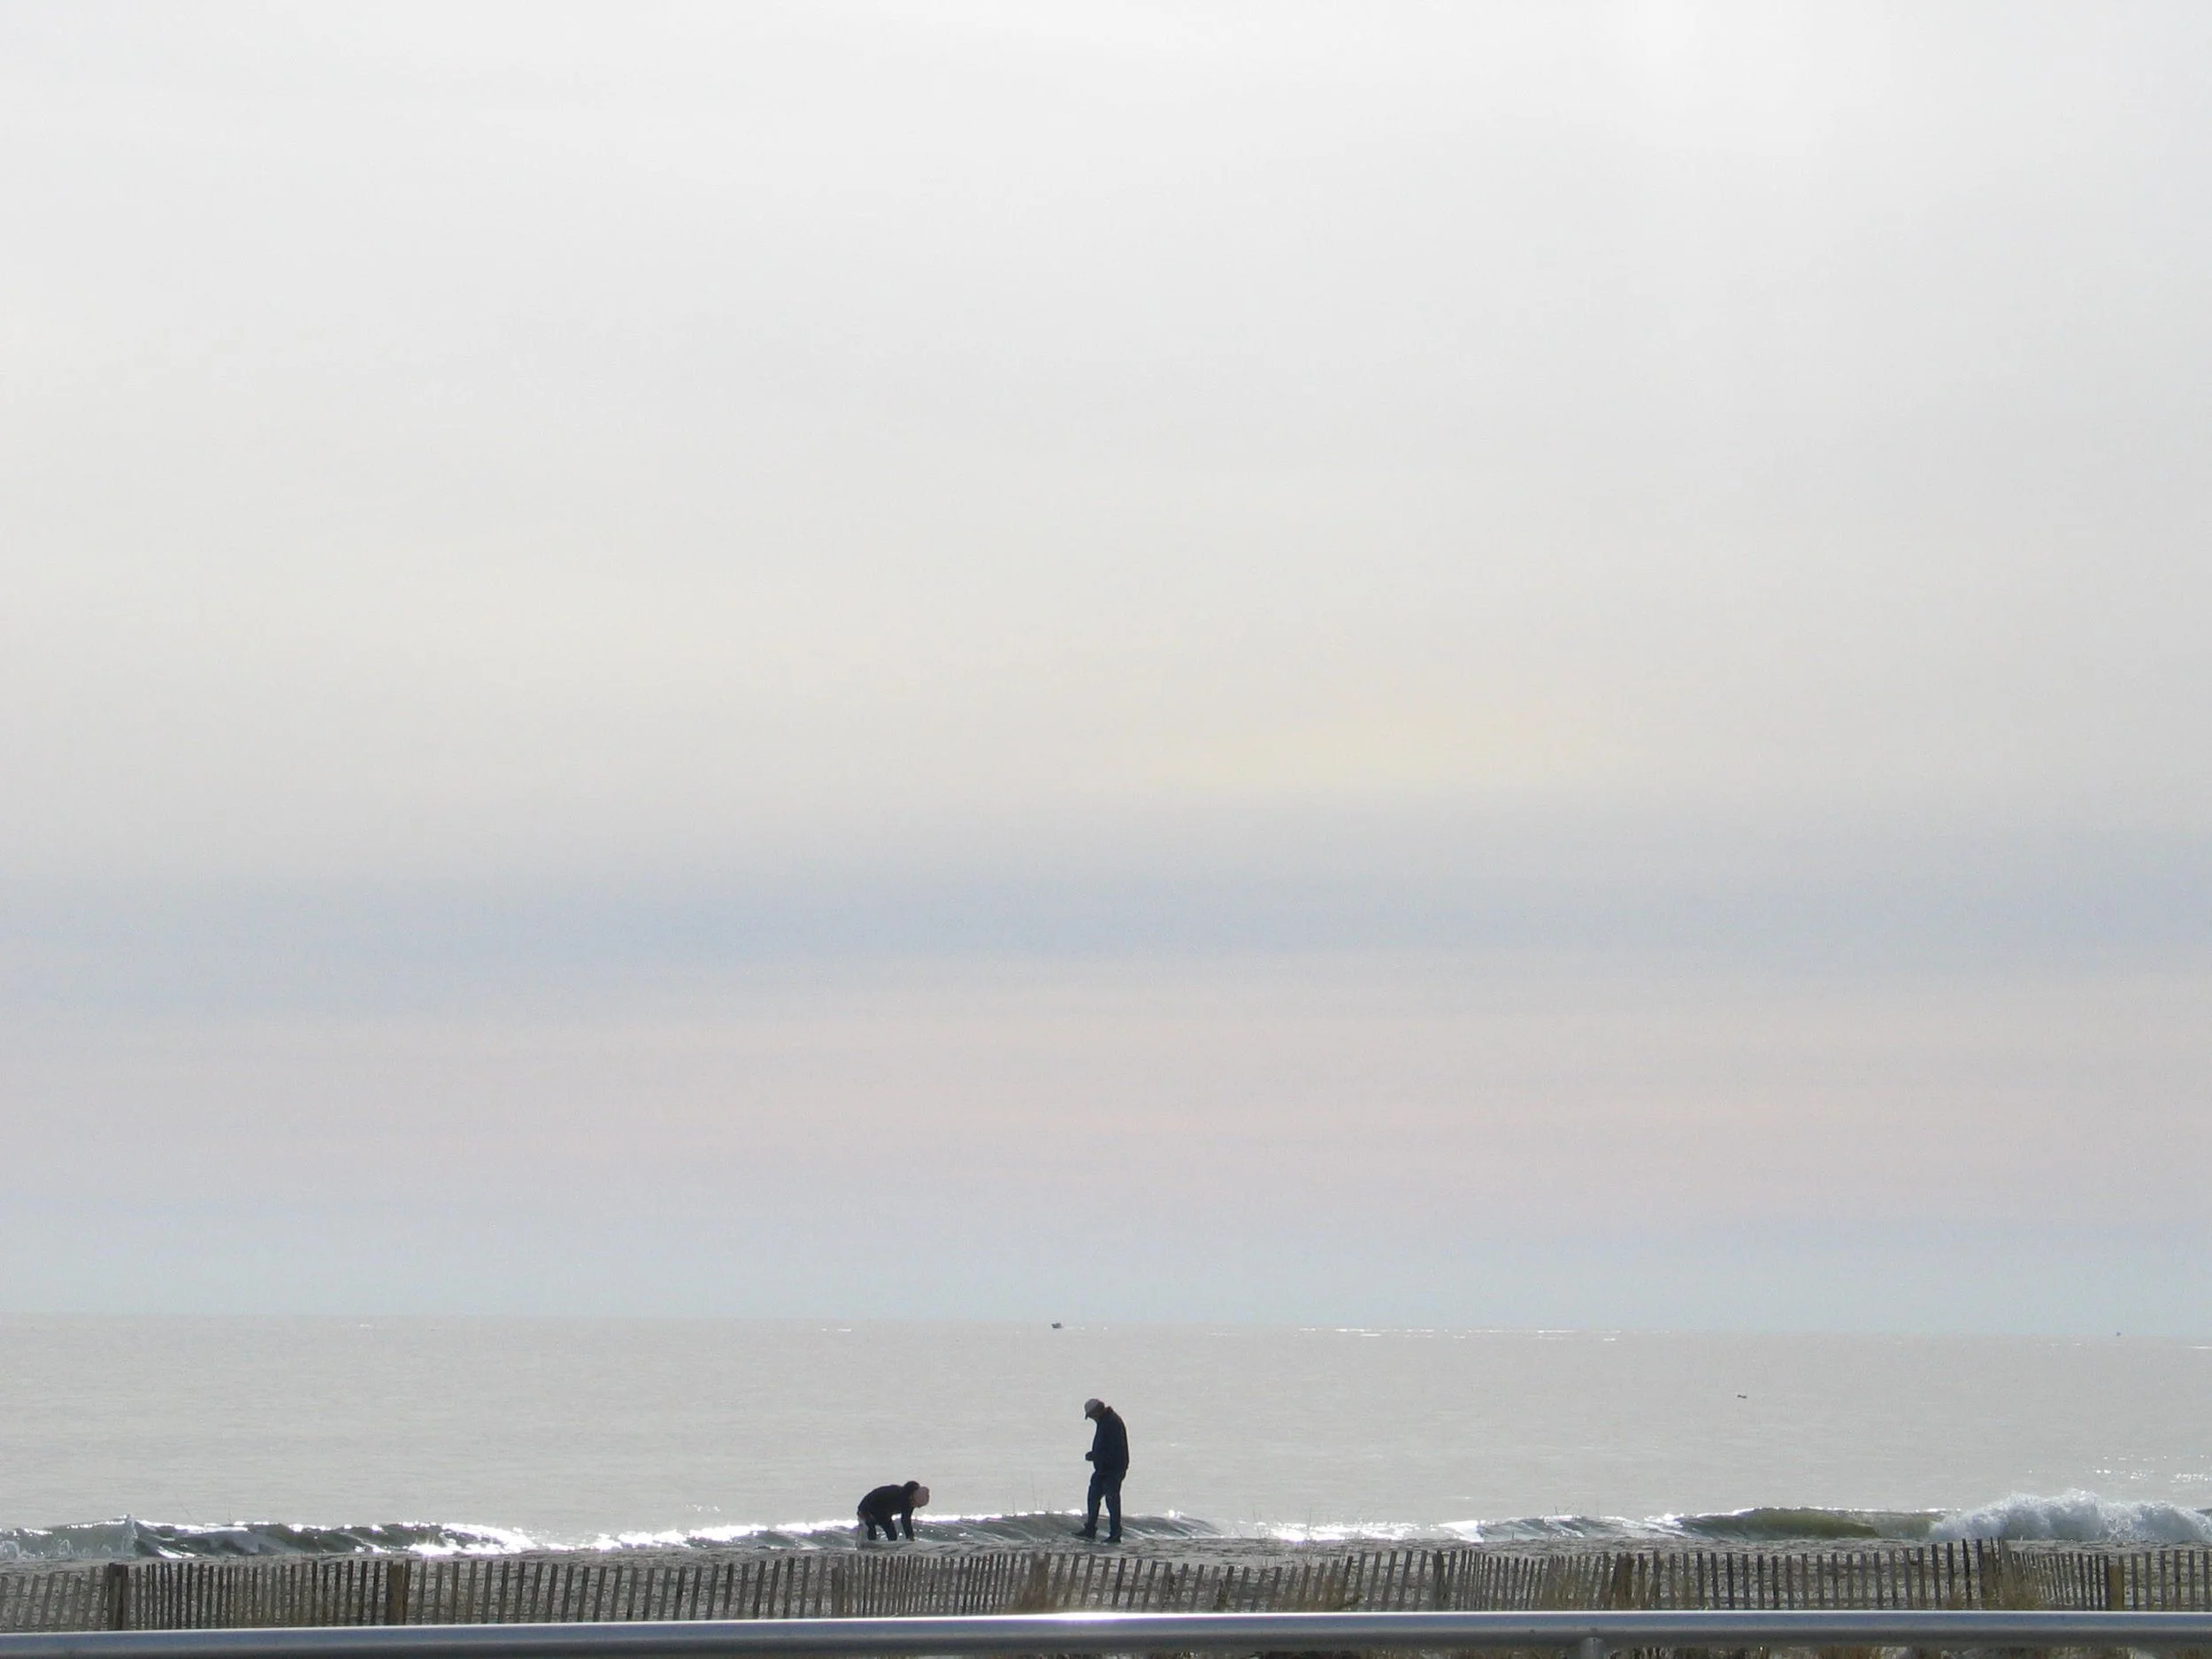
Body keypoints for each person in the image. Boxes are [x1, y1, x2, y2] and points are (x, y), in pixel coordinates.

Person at [1074, 1397, 1128, 1541]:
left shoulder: (1111, 1422)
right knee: (1094, 1496)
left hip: (1113, 1469)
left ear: (1097, 1411)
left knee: (1112, 1500)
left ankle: (1115, 1533)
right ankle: (1091, 1529)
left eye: (1091, 1416)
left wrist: (1095, 1456)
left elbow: (1114, 1448)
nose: (1092, 1419)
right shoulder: (1106, 1421)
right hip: (1104, 1468)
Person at [856, 1479, 929, 1541]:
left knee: (892, 1535)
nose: (918, 1507)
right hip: (867, 1507)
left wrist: (910, 1538)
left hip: (883, 1512)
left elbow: (906, 1521)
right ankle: (869, 1546)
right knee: (871, 1526)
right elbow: (871, 1500)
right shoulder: (895, 1494)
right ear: (912, 1498)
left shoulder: (909, 1503)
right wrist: (865, 1514)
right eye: (918, 1505)